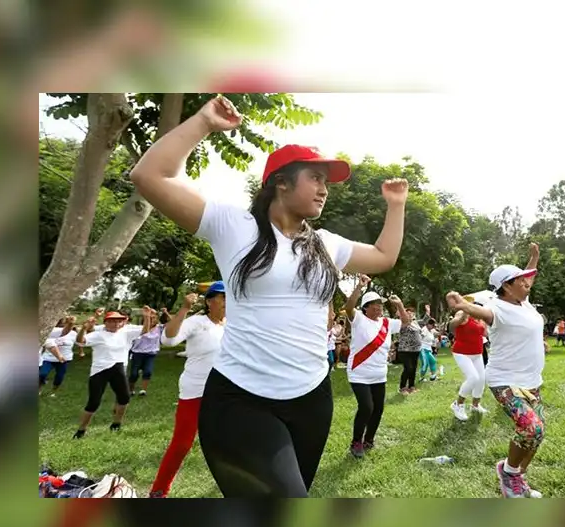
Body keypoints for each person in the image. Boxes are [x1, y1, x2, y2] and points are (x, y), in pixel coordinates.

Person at [130, 94, 408, 497]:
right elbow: (150, 177)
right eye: (314, 177)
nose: (324, 189)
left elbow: (384, 256)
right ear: (281, 182)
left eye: (325, 181)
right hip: (243, 401)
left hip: (313, 398)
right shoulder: (232, 226)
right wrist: (203, 123)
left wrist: (395, 206)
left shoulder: (326, 244)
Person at [445, 242, 546, 498]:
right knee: (531, 429)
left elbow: (529, 277)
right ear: (506, 286)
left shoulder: (525, 302)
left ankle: (518, 478)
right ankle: (508, 473)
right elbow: (479, 311)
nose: (527, 283)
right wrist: (462, 305)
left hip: (532, 380)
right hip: (506, 381)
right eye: (520, 281)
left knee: (535, 436)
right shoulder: (497, 308)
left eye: (526, 280)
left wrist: (533, 258)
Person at [148, 283, 227, 498]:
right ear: (210, 301)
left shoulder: (233, 325)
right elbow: (168, 339)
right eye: (223, 297)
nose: (229, 301)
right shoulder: (197, 322)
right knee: (182, 443)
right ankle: (158, 491)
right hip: (195, 390)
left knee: (232, 443)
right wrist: (183, 308)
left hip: (225, 393)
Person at [343, 274, 411, 458]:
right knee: (366, 407)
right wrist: (359, 286)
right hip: (359, 372)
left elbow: (406, 323)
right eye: (375, 303)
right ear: (366, 307)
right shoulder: (358, 319)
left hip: (379, 374)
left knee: (378, 409)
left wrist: (399, 305)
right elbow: (348, 307)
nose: (379, 306)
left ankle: (369, 440)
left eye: (380, 303)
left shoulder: (387, 323)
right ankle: (356, 442)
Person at [73, 309, 149, 438]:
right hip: (100, 370)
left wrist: (147, 317)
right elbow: (80, 341)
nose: (115, 324)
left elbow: (145, 331)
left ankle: (116, 423)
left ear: (122, 322)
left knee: (124, 397)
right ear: (106, 323)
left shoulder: (125, 333)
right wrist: (83, 329)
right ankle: (81, 430)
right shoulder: (98, 334)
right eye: (112, 321)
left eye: (118, 321)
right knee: (94, 402)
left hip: (118, 368)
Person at [448, 299, 489, 421]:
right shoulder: (462, 314)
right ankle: (458, 404)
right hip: (462, 352)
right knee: (473, 378)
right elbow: (452, 325)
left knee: (481, 379)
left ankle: (475, 405)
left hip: (477, 353)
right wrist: (465, 312)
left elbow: (485, 334)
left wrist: (484, 322)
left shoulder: (480, 319)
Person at [128, 307, 164, 396]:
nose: (151, 317)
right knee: (134, 374)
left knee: (148, 372)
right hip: (137, 353)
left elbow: (173, 322)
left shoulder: (159, 328)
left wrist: (166, 312)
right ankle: (130, 390)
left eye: (154, 316)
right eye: (149, 316)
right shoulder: (138, 328)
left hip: (150, 354)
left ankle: (143, 390)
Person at [39, 316, 77, 396]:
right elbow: (50, 343)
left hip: (64, 359)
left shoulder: (73, 333)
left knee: (59, 376)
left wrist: (71, 323)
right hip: (48, 358)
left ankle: (54, 391)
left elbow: (79, 342)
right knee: (42, 374)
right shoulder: (51, 331)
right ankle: (39, 388)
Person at [395, 304, 422, 394]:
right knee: (408, 368)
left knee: (413, 369)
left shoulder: (415, 323)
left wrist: (428, 312)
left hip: (415, 350)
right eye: (408, 313)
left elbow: (424, 322)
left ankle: (411, 387)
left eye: (411, 313)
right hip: (405, 350)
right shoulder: (402, 323)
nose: (410, 314)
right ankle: (402, 388)